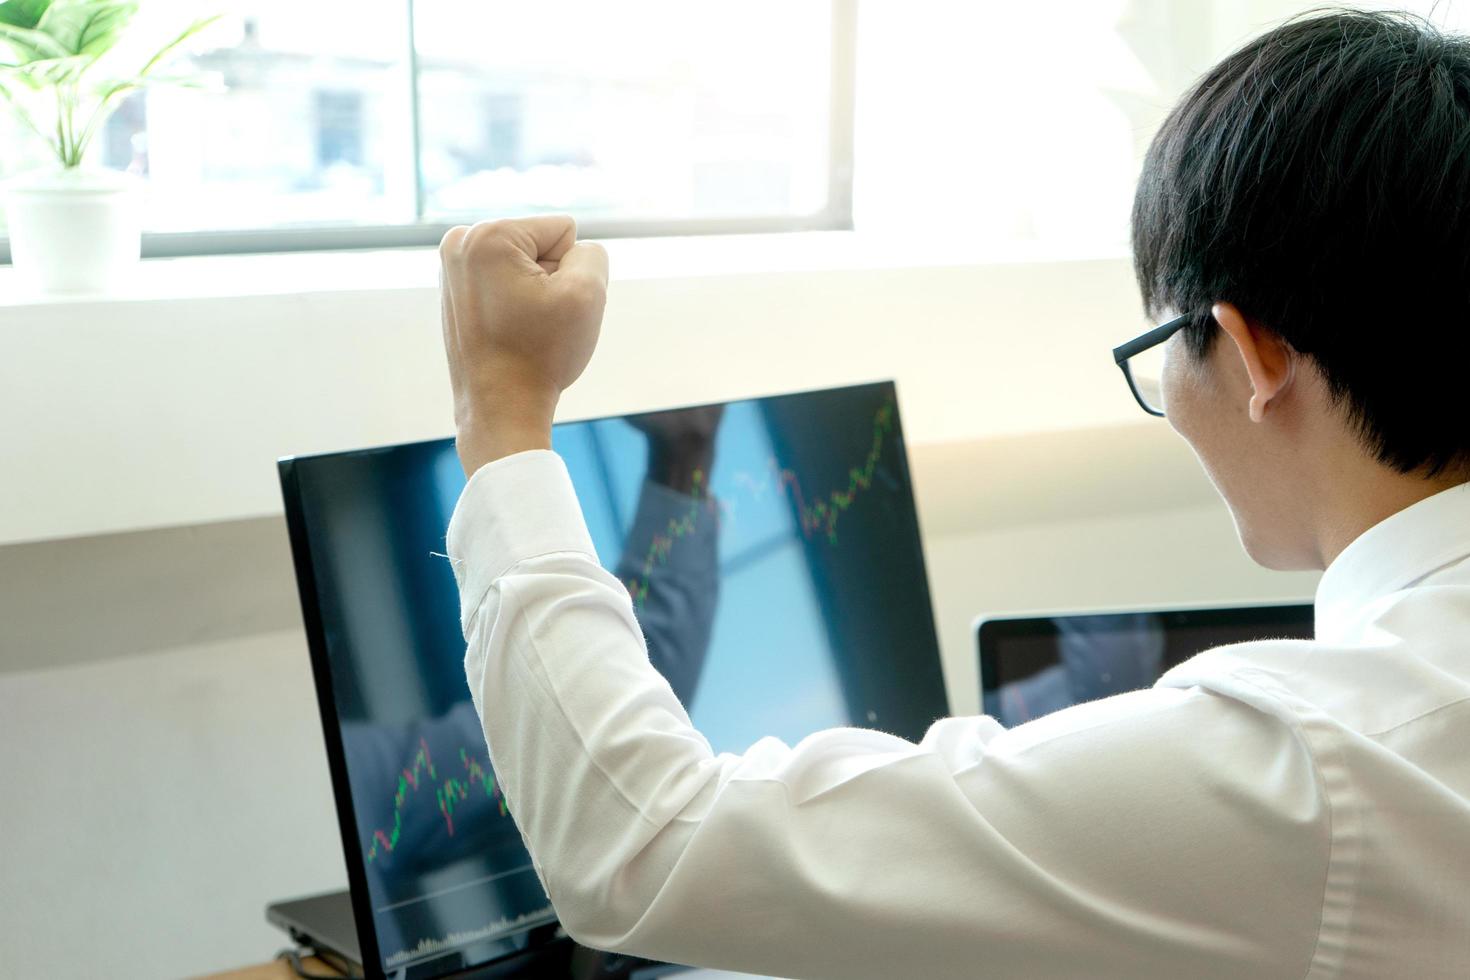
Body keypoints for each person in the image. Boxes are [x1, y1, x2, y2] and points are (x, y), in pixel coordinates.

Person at [436, 10, 1470, 979]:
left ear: (1252, 353)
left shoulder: (1310, 771)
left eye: (1159, 345)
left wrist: (503, 411)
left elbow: (648, 848)